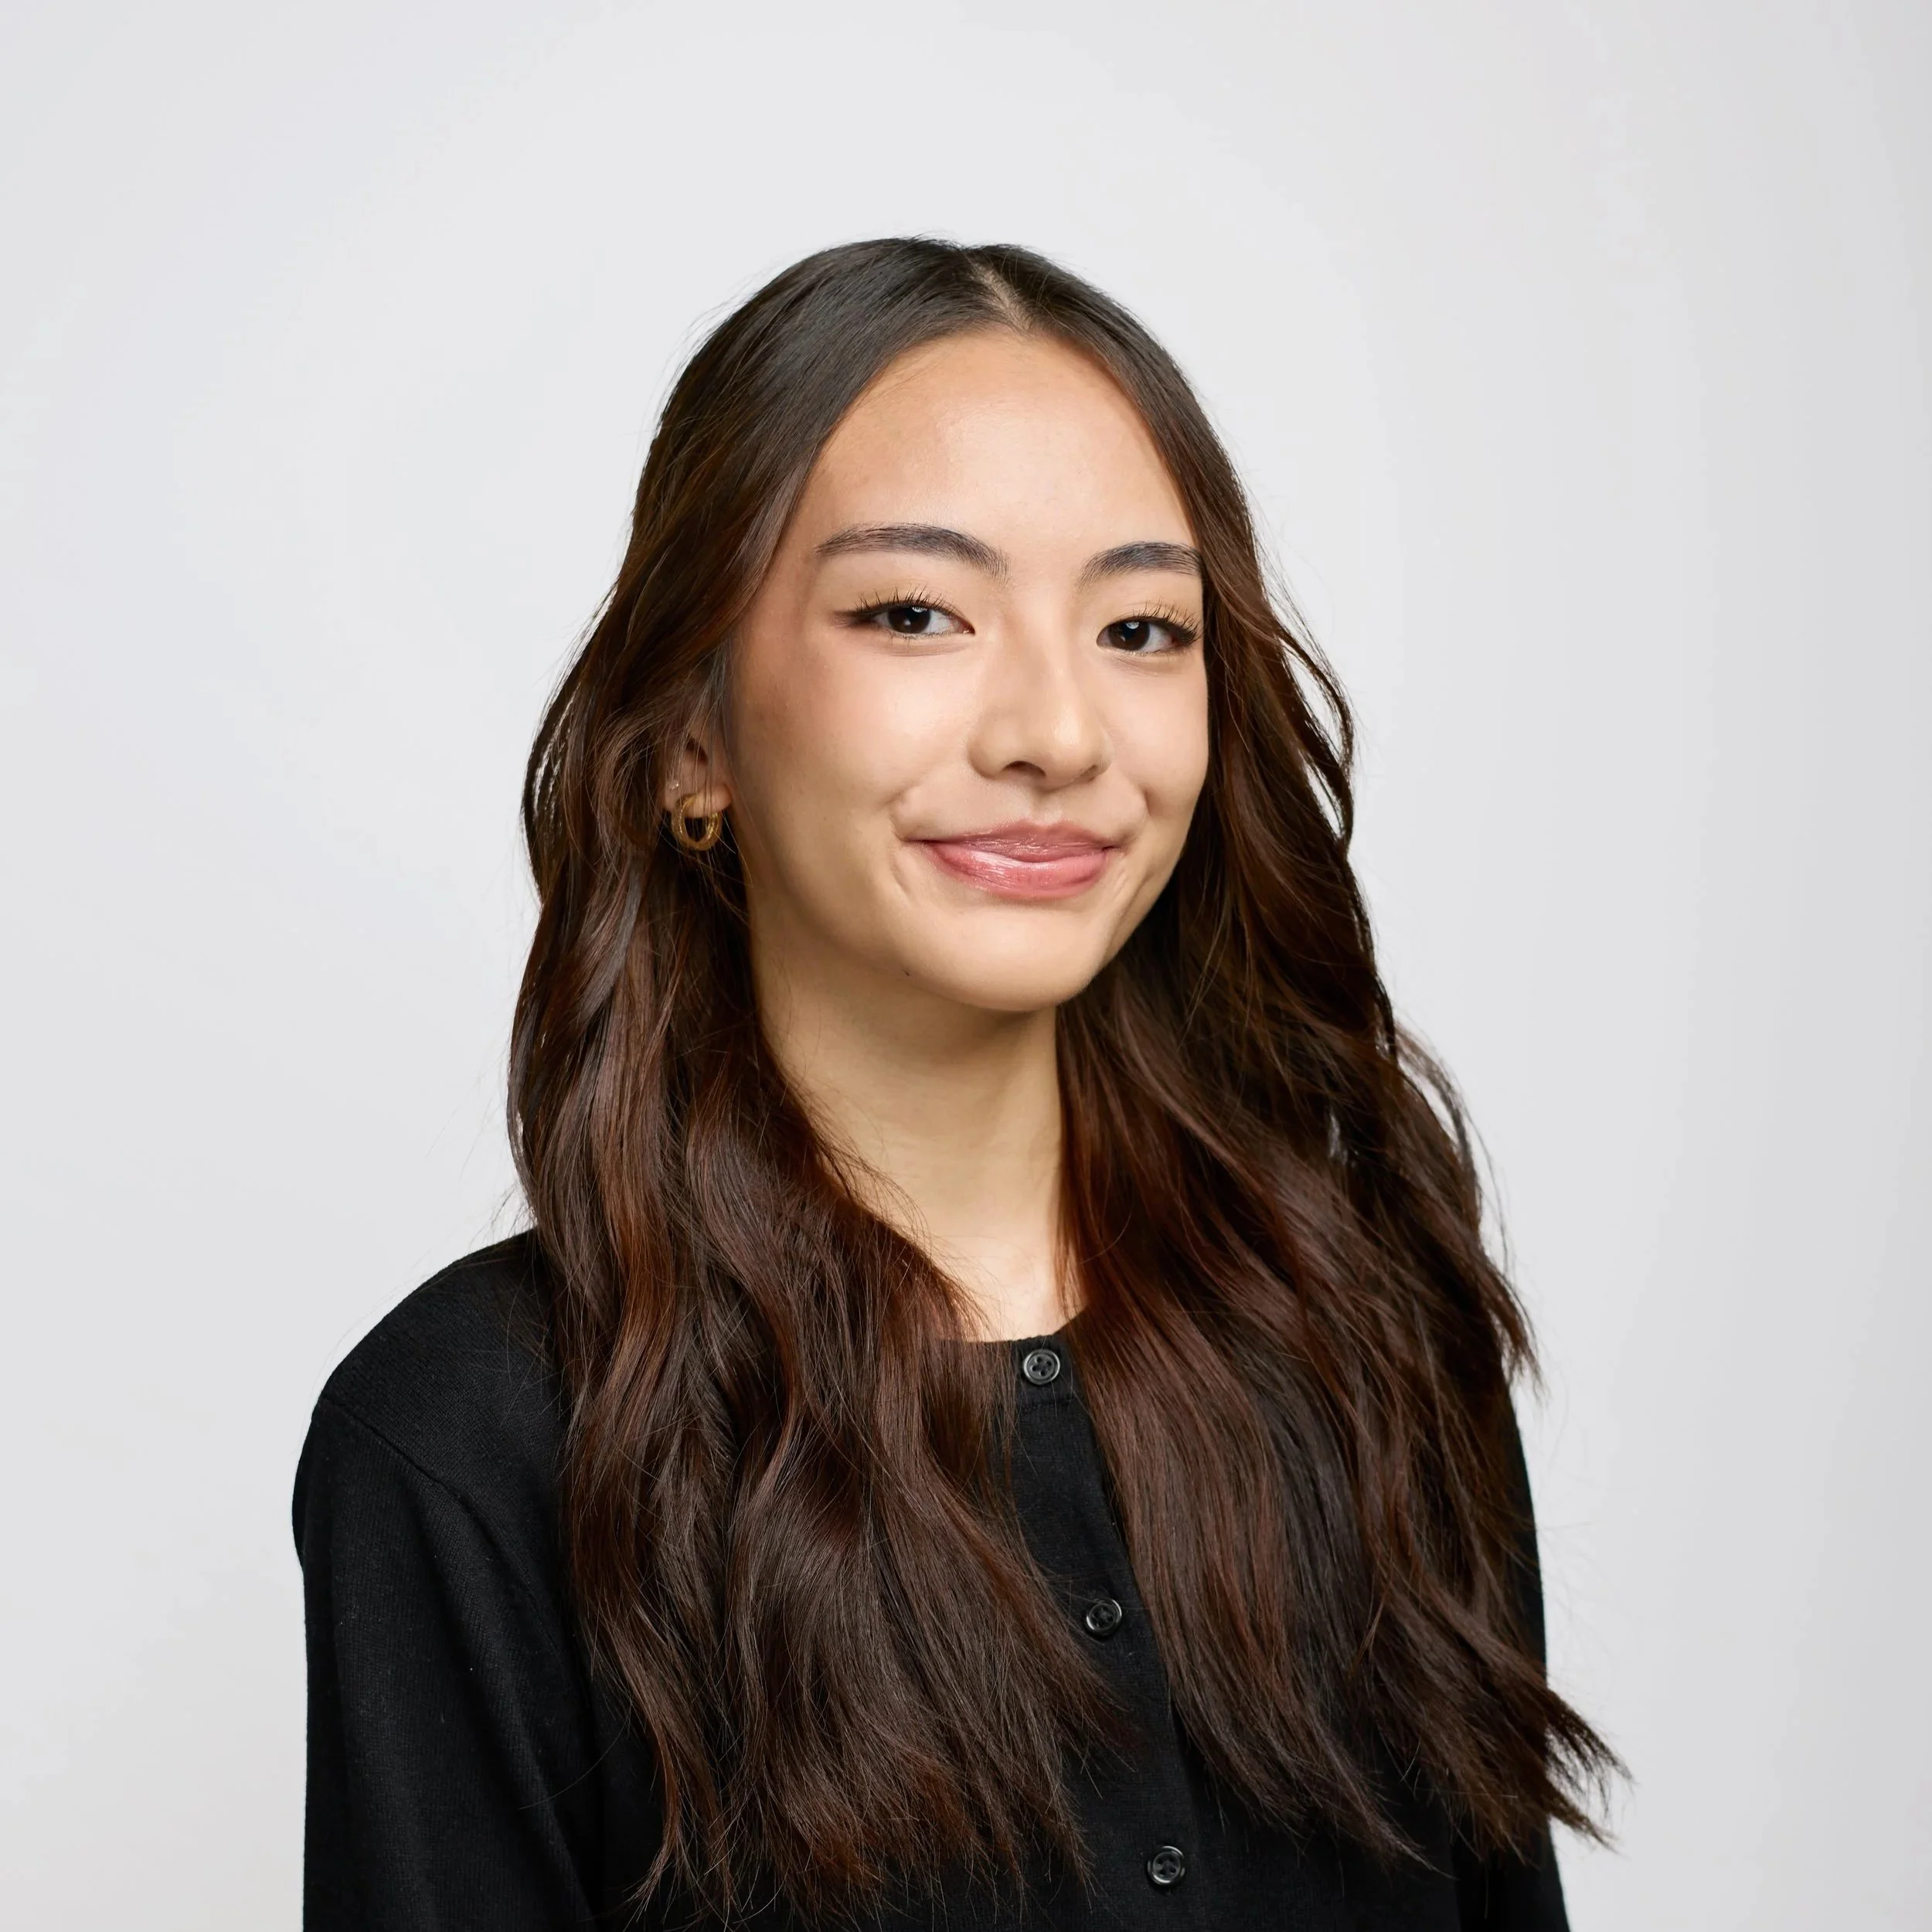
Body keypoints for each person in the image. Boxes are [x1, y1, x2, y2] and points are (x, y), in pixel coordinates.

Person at [294, 238, 1611, 1930]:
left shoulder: (1364, 1318)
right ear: (694, 736)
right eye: (914, 611)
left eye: (1141, 626)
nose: (1058, 729)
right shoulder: (475, 1437)